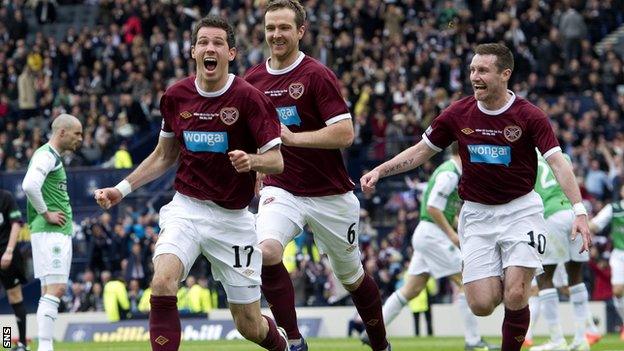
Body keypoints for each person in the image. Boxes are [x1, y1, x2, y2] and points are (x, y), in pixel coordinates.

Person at [360, 43, 591, 351]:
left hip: (521, 211)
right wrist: (381, 170)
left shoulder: (529, 115)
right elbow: (420, 151)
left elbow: (557, 161)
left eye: (482, 70)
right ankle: (502, 279)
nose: (474, 77)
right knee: (481, 304)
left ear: (505, 74)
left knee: (518, 292)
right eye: (471, 70)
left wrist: (579, 210)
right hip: (477, 216)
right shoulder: (458, 113)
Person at [94, 15, 287, 351]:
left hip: (232, 220)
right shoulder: (176, 96)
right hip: (186, 208)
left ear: (231, 53)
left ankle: (283, 345)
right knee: (162, 281)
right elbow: (164, 156)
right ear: (193, 51)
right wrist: (120, 189)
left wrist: (253, 161)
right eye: (203, 42)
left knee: (249, 326)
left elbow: (277, 160)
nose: (209, 48)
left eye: (216, 43)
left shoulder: (249, 98)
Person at [244, 1, 389, 350]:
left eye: (284, 28)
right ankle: (294, 341)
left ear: (300, 31)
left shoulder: (316, 75)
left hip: (330, 194)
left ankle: (381, 344)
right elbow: (248, 135)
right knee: (266, 252)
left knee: (352, 278)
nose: (276, 35)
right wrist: (256, 169)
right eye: (270, 28)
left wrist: (294, 138)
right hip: (283, 189)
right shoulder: (251, 80)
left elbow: (345, 134)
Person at [362, 144, 497, 350]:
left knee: (411, 289)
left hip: (427, 234)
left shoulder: (450, 172)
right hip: (434, 234)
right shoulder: (450, 174)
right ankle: (473, 341)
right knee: (465, 281)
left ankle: (370, 333)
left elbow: (441, 209)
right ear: (462, 151)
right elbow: (433, 208)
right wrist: (452, 235)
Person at [22, 113, 83, 351]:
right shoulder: (47, 155)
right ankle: (45, 347)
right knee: (57, 288)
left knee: (49, 290)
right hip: (50, 231)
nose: (80, 138)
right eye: (77, 133)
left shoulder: (50, 156)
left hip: (48, 232)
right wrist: (46, 213)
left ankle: (44, 346)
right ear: (62, 132)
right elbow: (29, 185)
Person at [529, 153, 594, 351]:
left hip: (550, 215)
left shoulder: (527, 156)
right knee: (575, 276)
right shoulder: (562, 155)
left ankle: (557, 340)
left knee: (544, 277)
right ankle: (581, 339)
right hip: (572, 214)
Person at [589, 183, 624, 341]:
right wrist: (583, 227)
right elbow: (595, 225)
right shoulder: (614, 208)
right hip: (619, 254)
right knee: (617, 291)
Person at [0, 190, 28, 351]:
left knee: (14, 298)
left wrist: (9, 251)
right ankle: (5, 342)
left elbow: (16, 223)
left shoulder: (5, 197)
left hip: (6, 254)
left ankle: (21, 343)